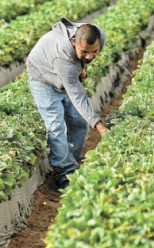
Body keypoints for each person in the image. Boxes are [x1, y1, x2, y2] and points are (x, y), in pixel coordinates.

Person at [26, 17, 108, 189]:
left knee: (78, 120)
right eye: (84, 52)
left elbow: (83, 59)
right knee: (56, 126)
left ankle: (73, 163)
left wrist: (82, 67)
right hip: (43, 78)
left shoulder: (99, 36)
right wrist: (99, 125)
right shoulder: (62, 56)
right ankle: (64, 173)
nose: (90, 56)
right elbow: (78, 96)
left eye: (94, 51)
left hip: (64, 71)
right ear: (73, 42)